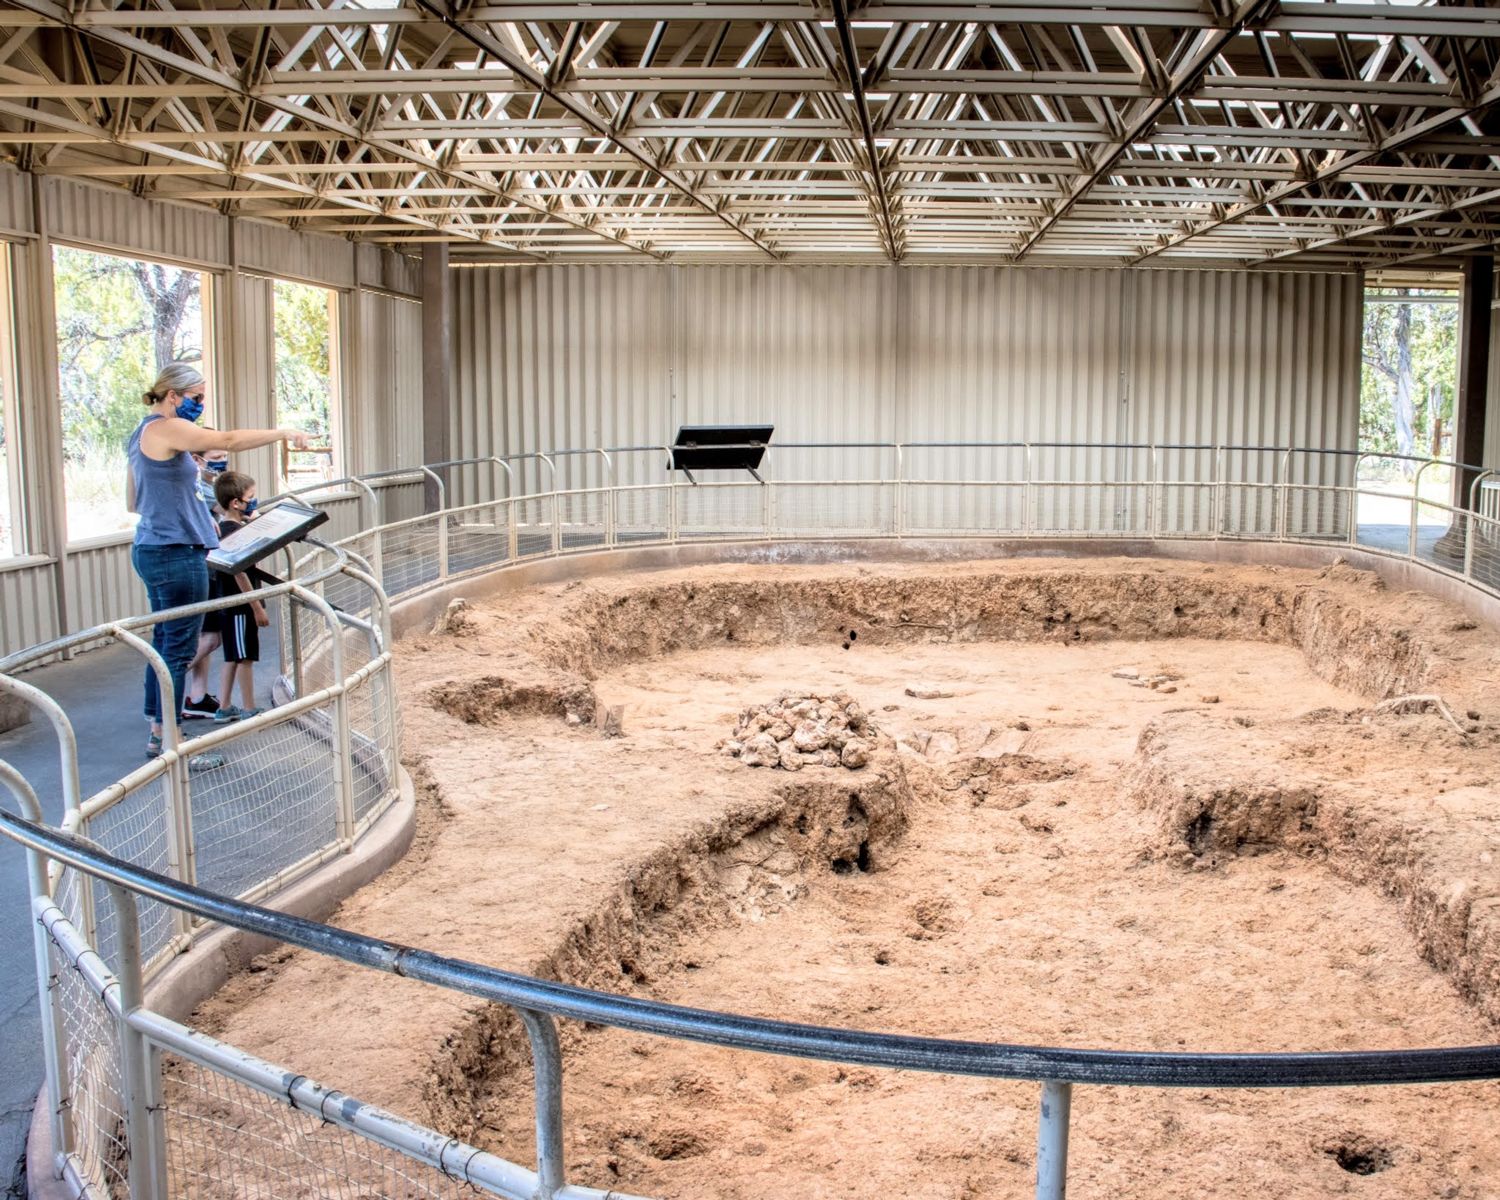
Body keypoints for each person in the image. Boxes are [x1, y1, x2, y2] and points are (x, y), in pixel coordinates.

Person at [127, 361, 309, 763]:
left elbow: (132, 499)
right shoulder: (165, 427)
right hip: (176, 552)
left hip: (152, 546)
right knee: (177, 649)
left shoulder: (140, 433)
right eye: (196, 398)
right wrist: (283, 432)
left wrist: (184, 485)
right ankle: (171, 743)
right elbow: (226, 438)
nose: (199, 406)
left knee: (164, 644)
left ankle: (158, 729)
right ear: (173, 396)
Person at [211, 470, 271, 722]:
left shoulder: (232, 527)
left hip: (236, 603)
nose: (254, 502)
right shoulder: (231, 532)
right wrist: (256, 606)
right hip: (239, 604)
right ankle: (248, 706)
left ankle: (224, 706)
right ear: (236, 503)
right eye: (251, 497)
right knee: (244, 657)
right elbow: (239, 572)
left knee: (234, 656)